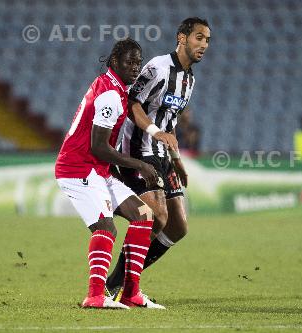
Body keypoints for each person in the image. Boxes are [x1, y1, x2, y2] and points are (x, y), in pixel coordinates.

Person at [55, 38, 177, 309]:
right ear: (114, 62)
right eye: (129, 62)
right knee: (106, 227)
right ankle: (96, 296)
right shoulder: (110, 94)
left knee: (145, 215)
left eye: (138, 62)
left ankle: (130, 293)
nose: (135, 67)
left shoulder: (114, 88)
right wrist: (141, 165)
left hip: (96, 169)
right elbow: (98, 147)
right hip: (78, 168)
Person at [105, 17, 211, 301]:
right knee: (157, 217)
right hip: (138, 148)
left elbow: (170, 122)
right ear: (182, 38)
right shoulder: (158, 67)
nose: (204, 45)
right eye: (199, 37)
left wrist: (177, 161)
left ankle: (124, 282)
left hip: (163, 153)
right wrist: (153, 131)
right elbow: (132, 103)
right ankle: (117, 286)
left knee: (178, 226)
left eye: (207, 40)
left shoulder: (189, 80)